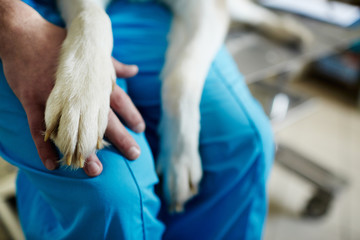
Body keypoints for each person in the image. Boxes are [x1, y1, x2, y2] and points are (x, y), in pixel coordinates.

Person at [0, 0, 275, 239]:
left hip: (145, 8)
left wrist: (181, 106)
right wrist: (10, 21)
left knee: (246, 142)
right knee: (113, 195)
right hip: (19, 15)